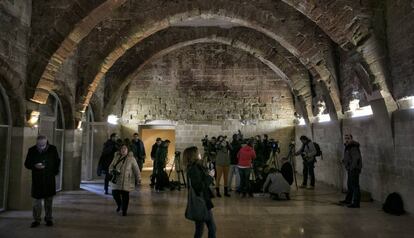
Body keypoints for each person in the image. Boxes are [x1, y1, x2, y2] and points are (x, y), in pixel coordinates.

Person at [24, 135, 61, 228]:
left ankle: (48, 218)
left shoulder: (52, 149)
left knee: (49, 200)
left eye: (42, 145)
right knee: (36, 201)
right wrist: (34, 166)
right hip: (37, 179)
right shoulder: (32, 150)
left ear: (46, 142)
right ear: (37, 142)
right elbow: (27, 163)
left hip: (49, 178)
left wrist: (55, 171)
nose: (40, 146)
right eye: (39, 145)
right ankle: (36, 220)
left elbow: (57, 161)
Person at [183, 146, 216, 238]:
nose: (199, 153)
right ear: (193, 155)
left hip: (202, 199)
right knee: (212, 227)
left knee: (200, 228)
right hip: (201, 200)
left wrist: (208, 173)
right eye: (197, 152)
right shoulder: (193, 169)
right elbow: (199, 187)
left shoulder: (196, 166)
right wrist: (210, 176)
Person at [109, 144, 141, 216]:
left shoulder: (132, 159)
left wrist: (138, 178)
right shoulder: (116, 157)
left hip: (126, 180)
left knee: (125, 196)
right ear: (120, 150)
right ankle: (120, 205)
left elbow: (136, 169)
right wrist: (112, 171)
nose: (123, 150)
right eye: (122, 148)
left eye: (125, 148)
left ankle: (124, 210)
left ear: (128, 150)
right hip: (116, 179)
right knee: (115, 194)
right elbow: (111, 166)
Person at [340, 134, 362, 208]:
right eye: (345, 138)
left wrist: (351, 167)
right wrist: (344, 161)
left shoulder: (353, 146)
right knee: (350, 185)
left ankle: (356, 203)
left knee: (355, 186)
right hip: (350, 169)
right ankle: (348, 200)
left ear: (351, 139)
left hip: (354, 169)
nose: (346, 139)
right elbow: (349, 156)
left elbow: (356, 158)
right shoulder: (348, 146)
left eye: (348, 138)